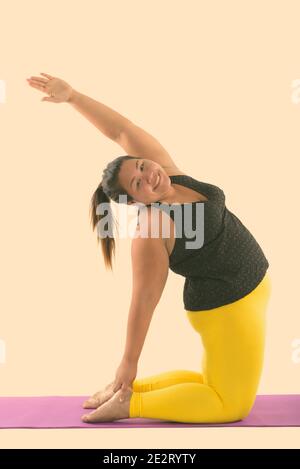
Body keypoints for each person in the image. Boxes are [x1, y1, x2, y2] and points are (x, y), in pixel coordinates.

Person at [26, 73, 272, 424]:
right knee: (227, 404)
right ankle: (130, 405)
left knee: (211, 383)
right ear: (135, 201)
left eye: (141, 166)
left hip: (249, 292)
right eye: (138, 183)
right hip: (228, 308)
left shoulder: (168, 173)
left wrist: (73, 97)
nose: (149, 176)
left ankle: (123, 391)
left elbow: (121, 130)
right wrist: (129, 362)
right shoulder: (153, 229)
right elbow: (143, 301)